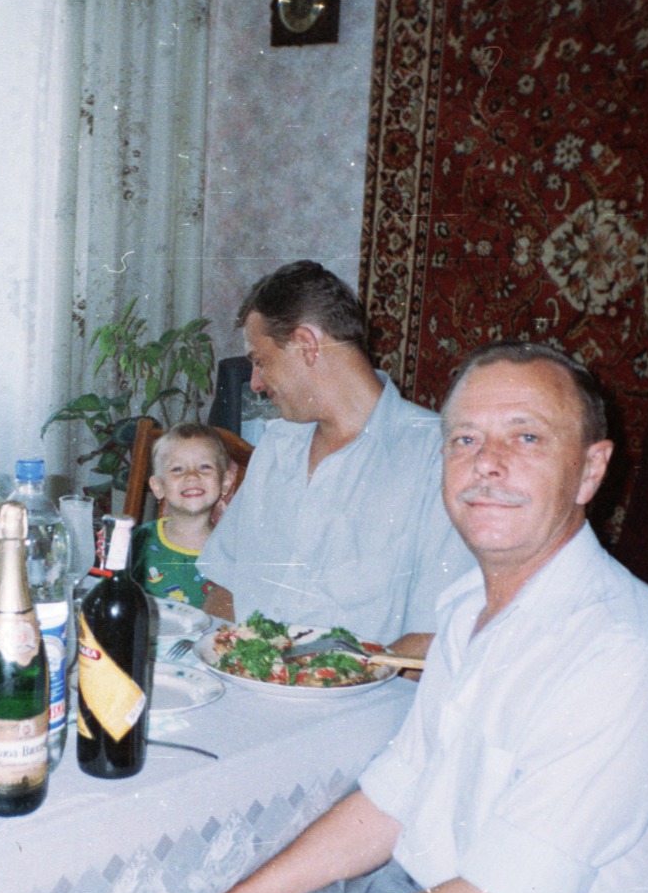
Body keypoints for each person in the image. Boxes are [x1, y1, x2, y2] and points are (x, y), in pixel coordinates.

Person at [111, 341, 648, 893]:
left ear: (589, 471)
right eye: (463, 438)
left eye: (526, 436)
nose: (487, 463)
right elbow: (389, 798)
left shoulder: (624, 652)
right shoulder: (466, 609)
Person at [197, 261, 470, 653]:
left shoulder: (438, 458)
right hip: (246, 690)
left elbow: (434, 639)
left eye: (261, 361)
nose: (255, 384)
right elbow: (226, 586)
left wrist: (312, 682)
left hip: (361, 702)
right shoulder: (278, 445)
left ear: (307, 344)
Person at [132, 423, 235, 605]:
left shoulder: (232, 551)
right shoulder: (139, 540)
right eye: (178, 469)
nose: (192, 476)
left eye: (204, 467)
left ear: (225, 482)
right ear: (158, 486)